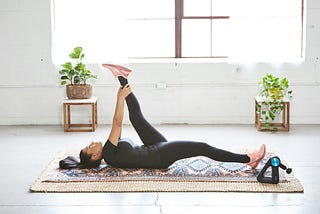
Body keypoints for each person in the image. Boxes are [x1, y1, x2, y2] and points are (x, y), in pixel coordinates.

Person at [60, 64, 266, 170]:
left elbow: (120, 124)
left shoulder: (110, 153)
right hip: (160, 157)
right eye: (90, 148)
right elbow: (116, 122)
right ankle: (248, 159)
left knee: (137, 119)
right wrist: (119, 99)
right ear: (95, 156)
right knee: (202, 147)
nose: (91, 144)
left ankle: (122, 77)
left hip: (153, 146)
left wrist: (122, 97)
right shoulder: (109, 152)